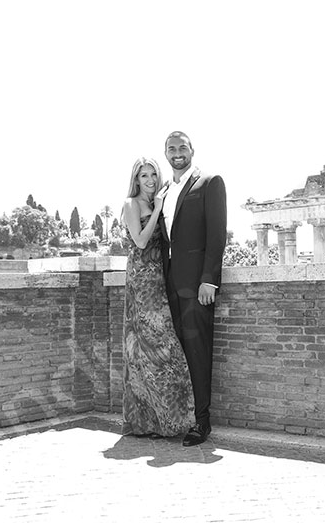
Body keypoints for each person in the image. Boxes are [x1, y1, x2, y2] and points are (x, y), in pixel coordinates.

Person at [160, 131, 227, 447]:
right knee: (178, 355)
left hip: (197, 287)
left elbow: (216, 235)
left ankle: (202, 423)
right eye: (171, 149)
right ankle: (180, 417)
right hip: (169, 285)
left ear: (192, 151)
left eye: (182, 147)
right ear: (166, 153)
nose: (177, 153)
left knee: (198, 354)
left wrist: (209, 279)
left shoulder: (210, 182)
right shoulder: (163, 191)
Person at [121, 157, 194, 437]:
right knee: (152, 348)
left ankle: (164, 419)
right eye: (143, 176)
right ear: (136, 180)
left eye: (153, 174)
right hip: (142, 282)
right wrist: (158, 210)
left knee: (160, 351)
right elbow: (139, 241)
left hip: (161, 277)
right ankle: (147, 421)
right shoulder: (132, 204)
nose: (150, 180)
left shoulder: (155, 204)